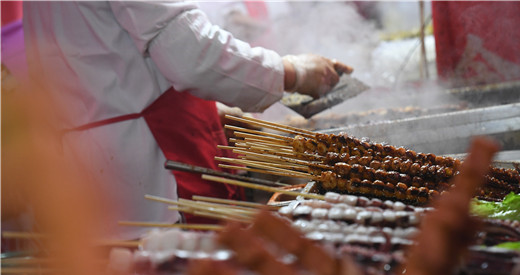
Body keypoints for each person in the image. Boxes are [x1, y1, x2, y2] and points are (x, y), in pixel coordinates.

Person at [22, 1, 351, 239]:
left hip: (89, 165)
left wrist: (212, 108)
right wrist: (292, 71)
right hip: (149, 170)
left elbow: (105, 59)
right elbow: (192, 54)